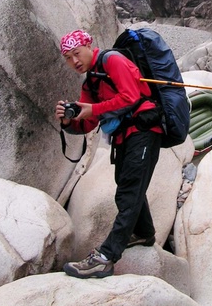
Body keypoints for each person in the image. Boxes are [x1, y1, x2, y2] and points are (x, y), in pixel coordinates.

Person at [55, 29, 163, 279]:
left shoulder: (113, 60)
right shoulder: (90, 81)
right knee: (126, 187)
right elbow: (88, 123)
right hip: (124, 136)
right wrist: (67, 121)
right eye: (68, 59)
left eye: (76, 54)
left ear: (88, 46)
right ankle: (144, 233)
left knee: (128, 191)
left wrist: (92, 108)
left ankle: (106, 257)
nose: (74, 62)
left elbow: (129, 97)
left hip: (145, 130)